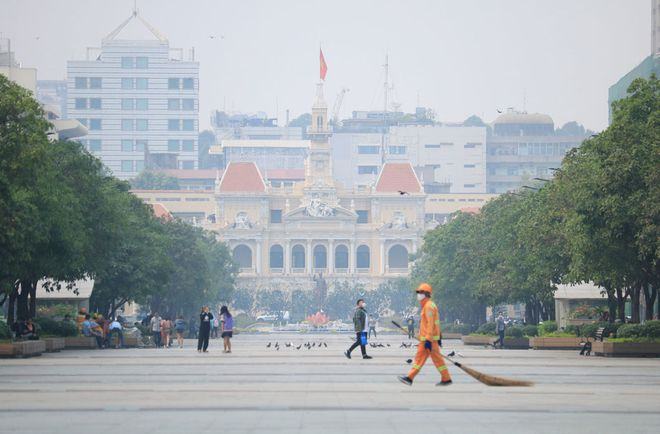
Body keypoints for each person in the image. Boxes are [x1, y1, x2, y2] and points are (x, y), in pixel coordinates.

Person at [398, 283, 452, 387]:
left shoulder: (428, 306)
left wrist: (428, 339)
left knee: (420, 358)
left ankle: (409, 378)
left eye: (420, 292)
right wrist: (439, 336)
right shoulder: (429, 305)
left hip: (427, 340)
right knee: (436, 359)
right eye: (418, 292)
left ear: (426, 294)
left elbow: (431, 324)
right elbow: (436, 323)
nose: (418, 294)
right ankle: (446, 378)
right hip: (430, 339)